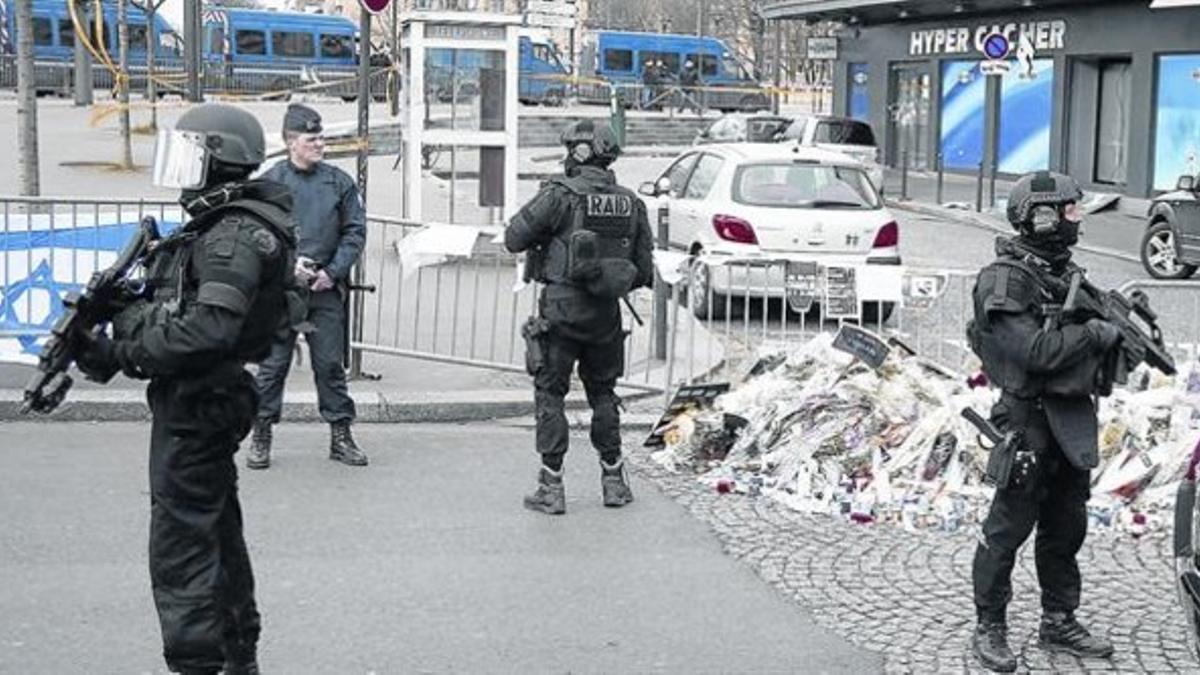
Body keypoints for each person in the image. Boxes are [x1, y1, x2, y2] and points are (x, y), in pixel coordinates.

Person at [75, 103, 298, 674]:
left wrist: (120, 352)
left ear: (215, 161)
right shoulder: (226, 225)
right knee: (215, 531)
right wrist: (129, 313)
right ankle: (236, 652)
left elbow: (210, 328)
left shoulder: (232, 234)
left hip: (200, 402)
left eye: (190, 155)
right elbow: (189, 309)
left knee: (181, 547)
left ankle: (200, 662)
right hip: (208, 398)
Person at [967, 171, 1119, 672]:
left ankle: (1058, 619)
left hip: (1071, 417)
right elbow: (1032, 351)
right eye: (1070, 210)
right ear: (1043, 216)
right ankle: (990, 626)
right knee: (1007, 528)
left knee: (1065, 524)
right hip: (1028, 416)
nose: (1078, 218)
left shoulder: (1061, 270)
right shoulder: (1005, 279)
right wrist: (1093, 336)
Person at [503, 119, 655, 515]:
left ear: (579, 152)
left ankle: (551, 487)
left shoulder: (559, 194)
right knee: (603, 394)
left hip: (561, 311)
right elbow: (643, 268)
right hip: (606, 315)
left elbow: (513, 237)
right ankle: (614, 481)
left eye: (569, 148)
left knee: (550, 394)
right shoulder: (631, 202)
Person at [248, 103, 368, 469]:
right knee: (272, 368)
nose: (321, 145)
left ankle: (340, 435)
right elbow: (255, 234)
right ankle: (261, 433)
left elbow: (354, 232)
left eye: (322, 138)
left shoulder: (338, 182)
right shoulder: (270, 183)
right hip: (281, 294)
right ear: (290, 142)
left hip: (324, 292)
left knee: (330, 365)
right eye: (312, 139)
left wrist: (332, 272)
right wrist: (288, 266)